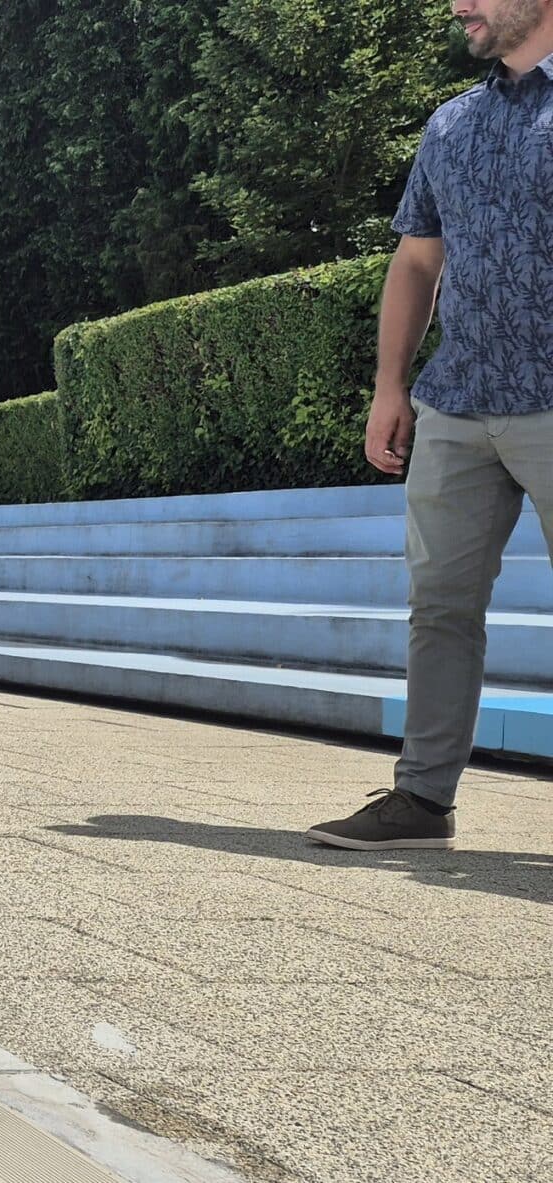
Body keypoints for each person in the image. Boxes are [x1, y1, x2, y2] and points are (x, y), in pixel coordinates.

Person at [308, 0, 553, 852]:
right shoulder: (452, 124)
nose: (458, 7)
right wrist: (391, 384)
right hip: (457, 405)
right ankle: (421, 799)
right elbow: (416, 260)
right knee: (441, 606)